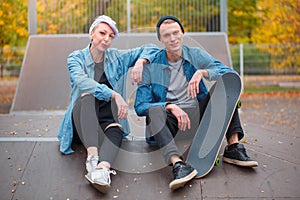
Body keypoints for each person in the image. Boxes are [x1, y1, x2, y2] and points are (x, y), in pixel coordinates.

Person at [134, 16, 258, 191]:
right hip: (169, 125)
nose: (173, 38)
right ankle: (178, 164)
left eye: (176, 33)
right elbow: (140, 105)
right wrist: (169, 106)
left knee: (224, 88)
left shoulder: (195, 55)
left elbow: (228, 73)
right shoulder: (151, 64)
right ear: (161, 39)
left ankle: (234, 146)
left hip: (197, 119)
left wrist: (203, 72)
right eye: (167, 35)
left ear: (183, 33)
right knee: (154, 110)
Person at [57, 15, 158, 193]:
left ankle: (103, 170)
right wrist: (113, 95)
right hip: (81, 124)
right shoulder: (76, 58)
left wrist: (141, 62)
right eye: (102, 33)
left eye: (111, 36)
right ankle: (93, 158)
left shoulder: (116, 57)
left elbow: (151, 48)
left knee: (117, 129)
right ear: (91, 34)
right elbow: (82, 82)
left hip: (105, 123)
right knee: (87, 97)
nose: (106, 39)